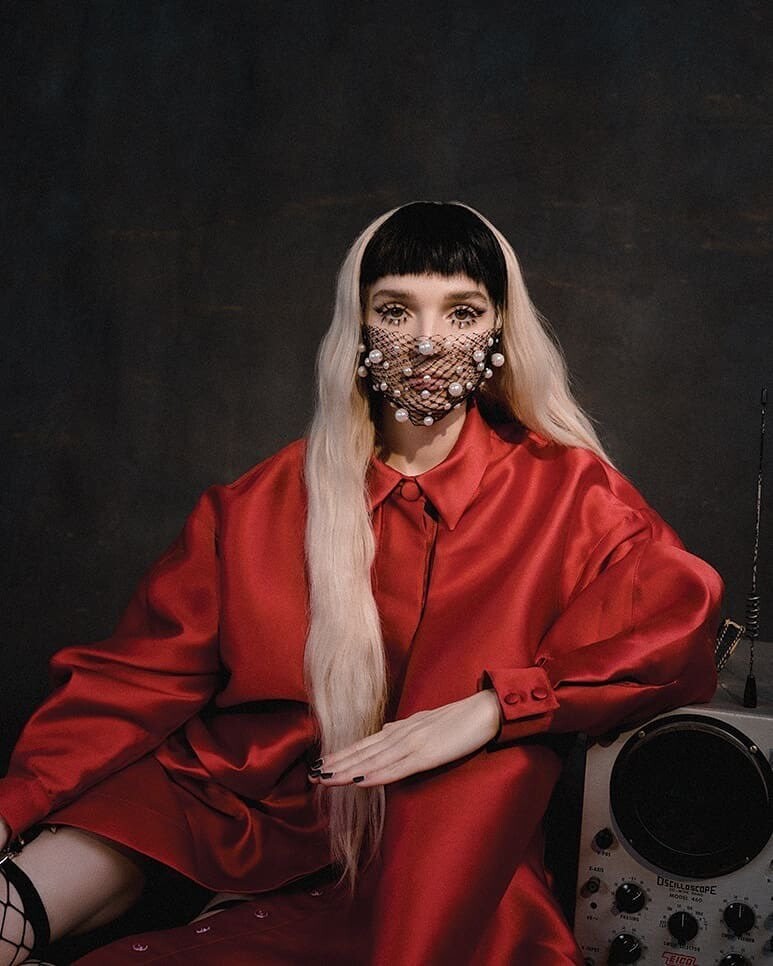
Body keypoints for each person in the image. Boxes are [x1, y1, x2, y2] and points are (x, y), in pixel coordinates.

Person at [0, 201, 723, 965]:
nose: (426, 340)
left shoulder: (572, 496)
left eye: (461, 311)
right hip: (236, 801)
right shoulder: (257, 505)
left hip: (422, 827)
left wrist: (492, 709)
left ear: (499, 332)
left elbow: (674, 630)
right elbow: (133, 680)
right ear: (358, 325)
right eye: (395, 309)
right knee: (28, 888)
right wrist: (13, 803)